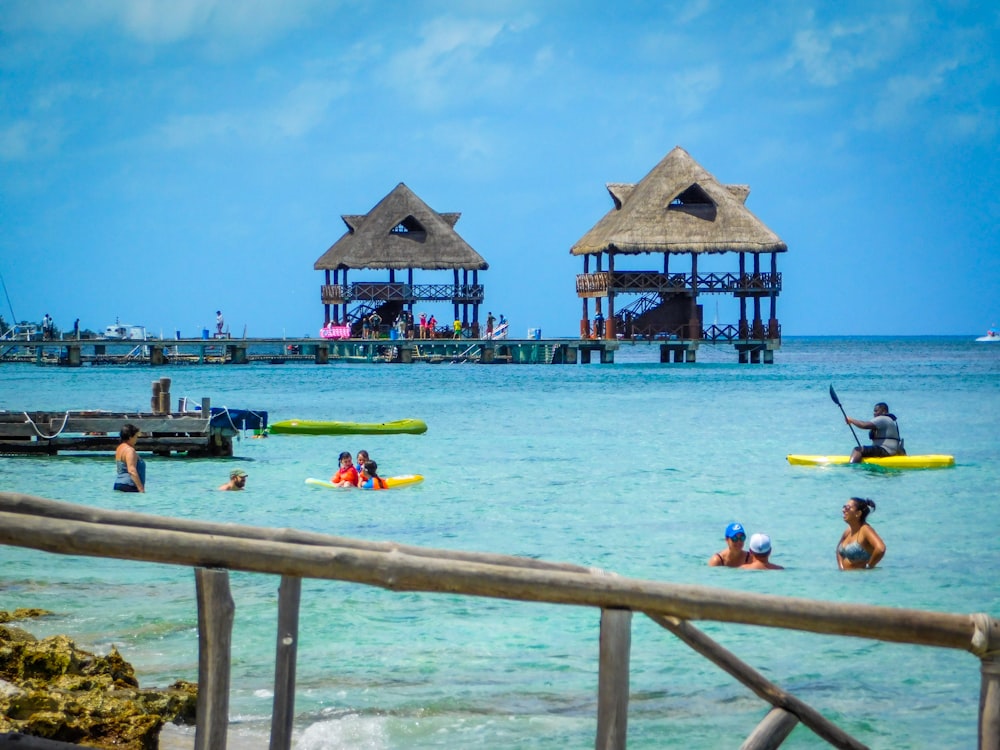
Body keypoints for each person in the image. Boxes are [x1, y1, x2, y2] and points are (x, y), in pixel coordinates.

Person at [836, 497, 886, 570]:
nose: (843, 510)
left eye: (847, 508)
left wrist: (869, 567)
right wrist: (841, 568)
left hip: (862, 579)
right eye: (844, 507)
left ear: (858, 513)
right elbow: (838, 550)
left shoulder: (865, 530)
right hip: (845, 579)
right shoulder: (848, 531)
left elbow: (880, 549)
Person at [113, 423, 146, 493]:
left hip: (118, 484)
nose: (136, 439)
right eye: (136, 436)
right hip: (129, 485)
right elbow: (132, 471)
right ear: (130, 437)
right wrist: (141, 489)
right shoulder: (130, 450)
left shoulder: (119, 448)